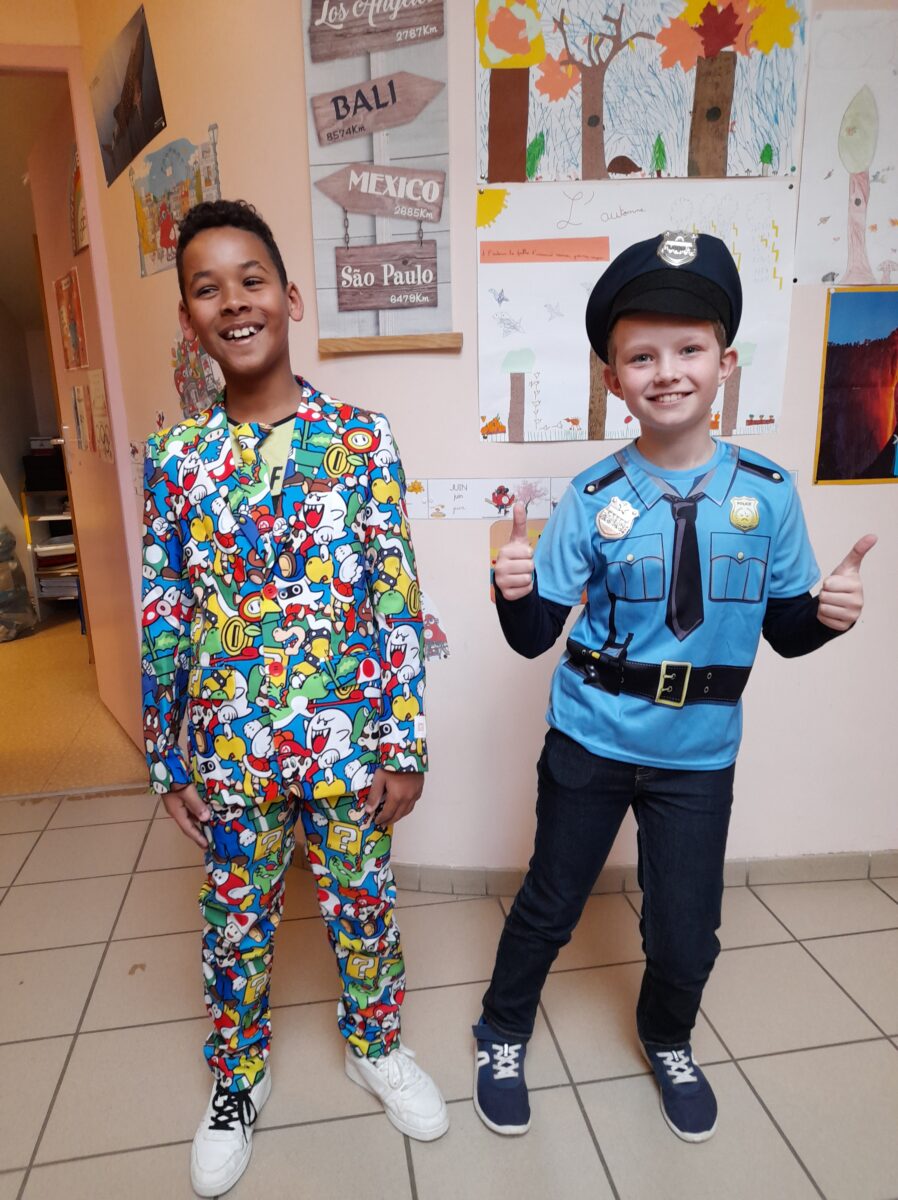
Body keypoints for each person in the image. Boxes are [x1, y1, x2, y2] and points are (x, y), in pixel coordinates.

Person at [473, 230, 876, 1144]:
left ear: (724, 363)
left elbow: (785, 633)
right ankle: (501, 1029)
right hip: (590, 739)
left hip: (698, 753)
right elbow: (534, 640)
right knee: (551, 902)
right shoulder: (591, 497)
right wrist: (514, 592)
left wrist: (831, 615)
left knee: (688, 933)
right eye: (641, 356)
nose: (667, 372)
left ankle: (668, 1037)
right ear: (612, 379)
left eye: (688, 349)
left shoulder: (768, 493)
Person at [141, 199, 447, 1198]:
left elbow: (394, 596)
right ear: (189, 318)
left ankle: (376, 1046)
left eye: (252, 280)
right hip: (233, 751)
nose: (234, 301)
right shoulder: (177, 460)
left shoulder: (361, 440)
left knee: (363, 907)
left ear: (291, 297)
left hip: (347, 740)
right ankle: (237, 1081)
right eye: (207, 288)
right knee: (235, 925)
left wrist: (403, 744)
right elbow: (166, 611)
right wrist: (167, 757)